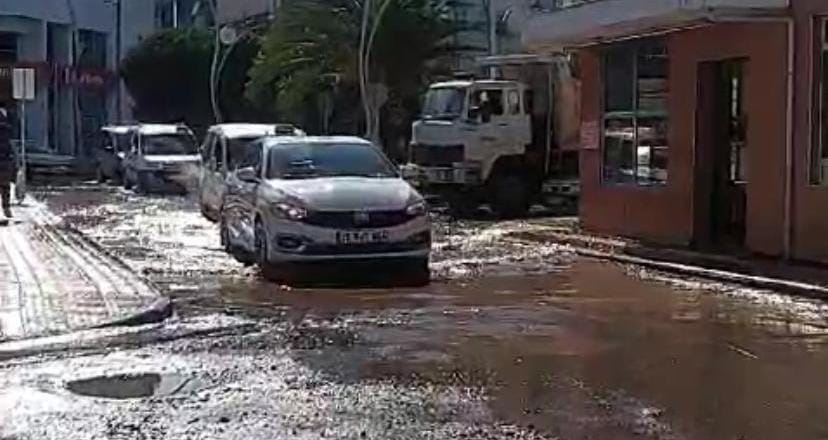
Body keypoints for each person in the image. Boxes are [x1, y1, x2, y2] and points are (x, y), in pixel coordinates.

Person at [0, 103, 16, 219]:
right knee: (5, 185)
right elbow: (11, 141)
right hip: (5, 157)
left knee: (5, 184)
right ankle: (6, 207)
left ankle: (6, 207)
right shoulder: (7, 125)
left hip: (5, 156)